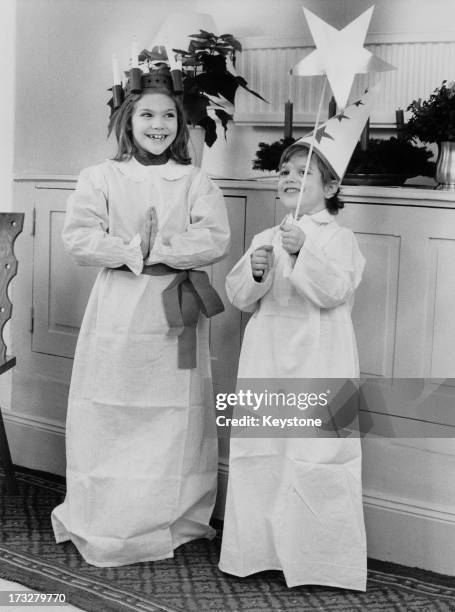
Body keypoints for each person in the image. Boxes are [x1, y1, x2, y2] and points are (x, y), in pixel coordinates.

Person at [51, 64, 230, 567]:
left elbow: (214, 237)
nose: (158, 124)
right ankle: (108, 513)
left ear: (180, 124)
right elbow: (79, 238)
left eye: (168, 115)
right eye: (147, 114)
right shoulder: (102, 178)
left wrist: (167, 248)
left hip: (179, 306)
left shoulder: (195, 180)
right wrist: (132, 249)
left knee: (178, 412)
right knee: (112, 407)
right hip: (120, 310)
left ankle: (172, 515)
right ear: (127, 120)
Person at [219, 91, 372, 591]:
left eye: (303, 173)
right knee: (263, 450)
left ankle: (319, 559)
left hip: (320, 357)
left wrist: (304, 251)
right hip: (268, 356)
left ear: (331, 187)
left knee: (318, 454)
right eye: (285, 171)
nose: (289, 178)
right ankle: (258, 551)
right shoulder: (267, 234)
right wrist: (258, 271)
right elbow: (239, 297)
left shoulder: (338, 240)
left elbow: (334, 291)